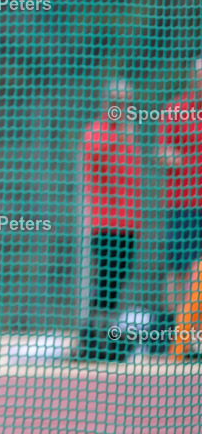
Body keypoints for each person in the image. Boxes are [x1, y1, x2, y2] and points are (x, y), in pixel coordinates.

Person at [74, 79, 141, 360]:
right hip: (103, 223)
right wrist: (121, 135)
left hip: (129, 223)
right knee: (101, 280)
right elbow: (97, 168)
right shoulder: (96, 133)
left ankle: (109, 336)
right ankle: (93, 336)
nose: (124, 108)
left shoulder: (131, 135)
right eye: (119, 102)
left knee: (117, 281)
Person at [158, 58, 202, 357]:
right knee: (180, 271)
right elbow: (161, 152)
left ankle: (195, 335)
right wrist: (182, 162)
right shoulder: (174, 111)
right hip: (183, 205)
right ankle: (177, 335)